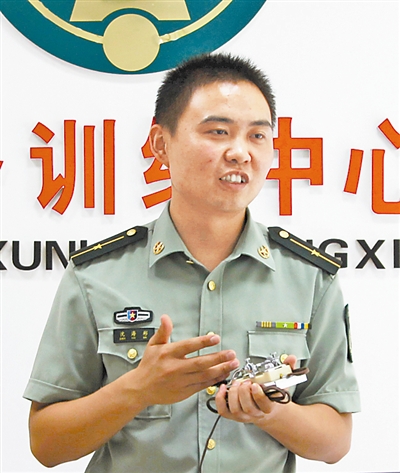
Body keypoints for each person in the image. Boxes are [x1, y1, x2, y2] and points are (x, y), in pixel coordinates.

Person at [24, 53, 360, 473]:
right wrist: (137, 389)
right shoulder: (96, 275)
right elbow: (47, 445)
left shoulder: (310, 278)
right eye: (218, 132)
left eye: (257, 136)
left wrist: (271, 410)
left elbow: (335, 443)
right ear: (160, 144)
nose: (240, 153)